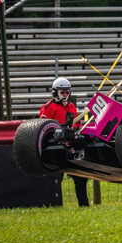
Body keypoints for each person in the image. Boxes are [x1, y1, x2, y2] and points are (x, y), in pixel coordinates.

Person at [39, 77, 90, 207]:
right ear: (55, 93)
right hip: (55, 148)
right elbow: (43, 128)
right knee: (56, 177)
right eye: (63, 92)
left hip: (71, 145)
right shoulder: (47, 108)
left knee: (80, 176)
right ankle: (53, 205)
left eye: (67, 92)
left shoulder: (72, 107)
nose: (65, 95)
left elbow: (77, 125)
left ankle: (84, 204)